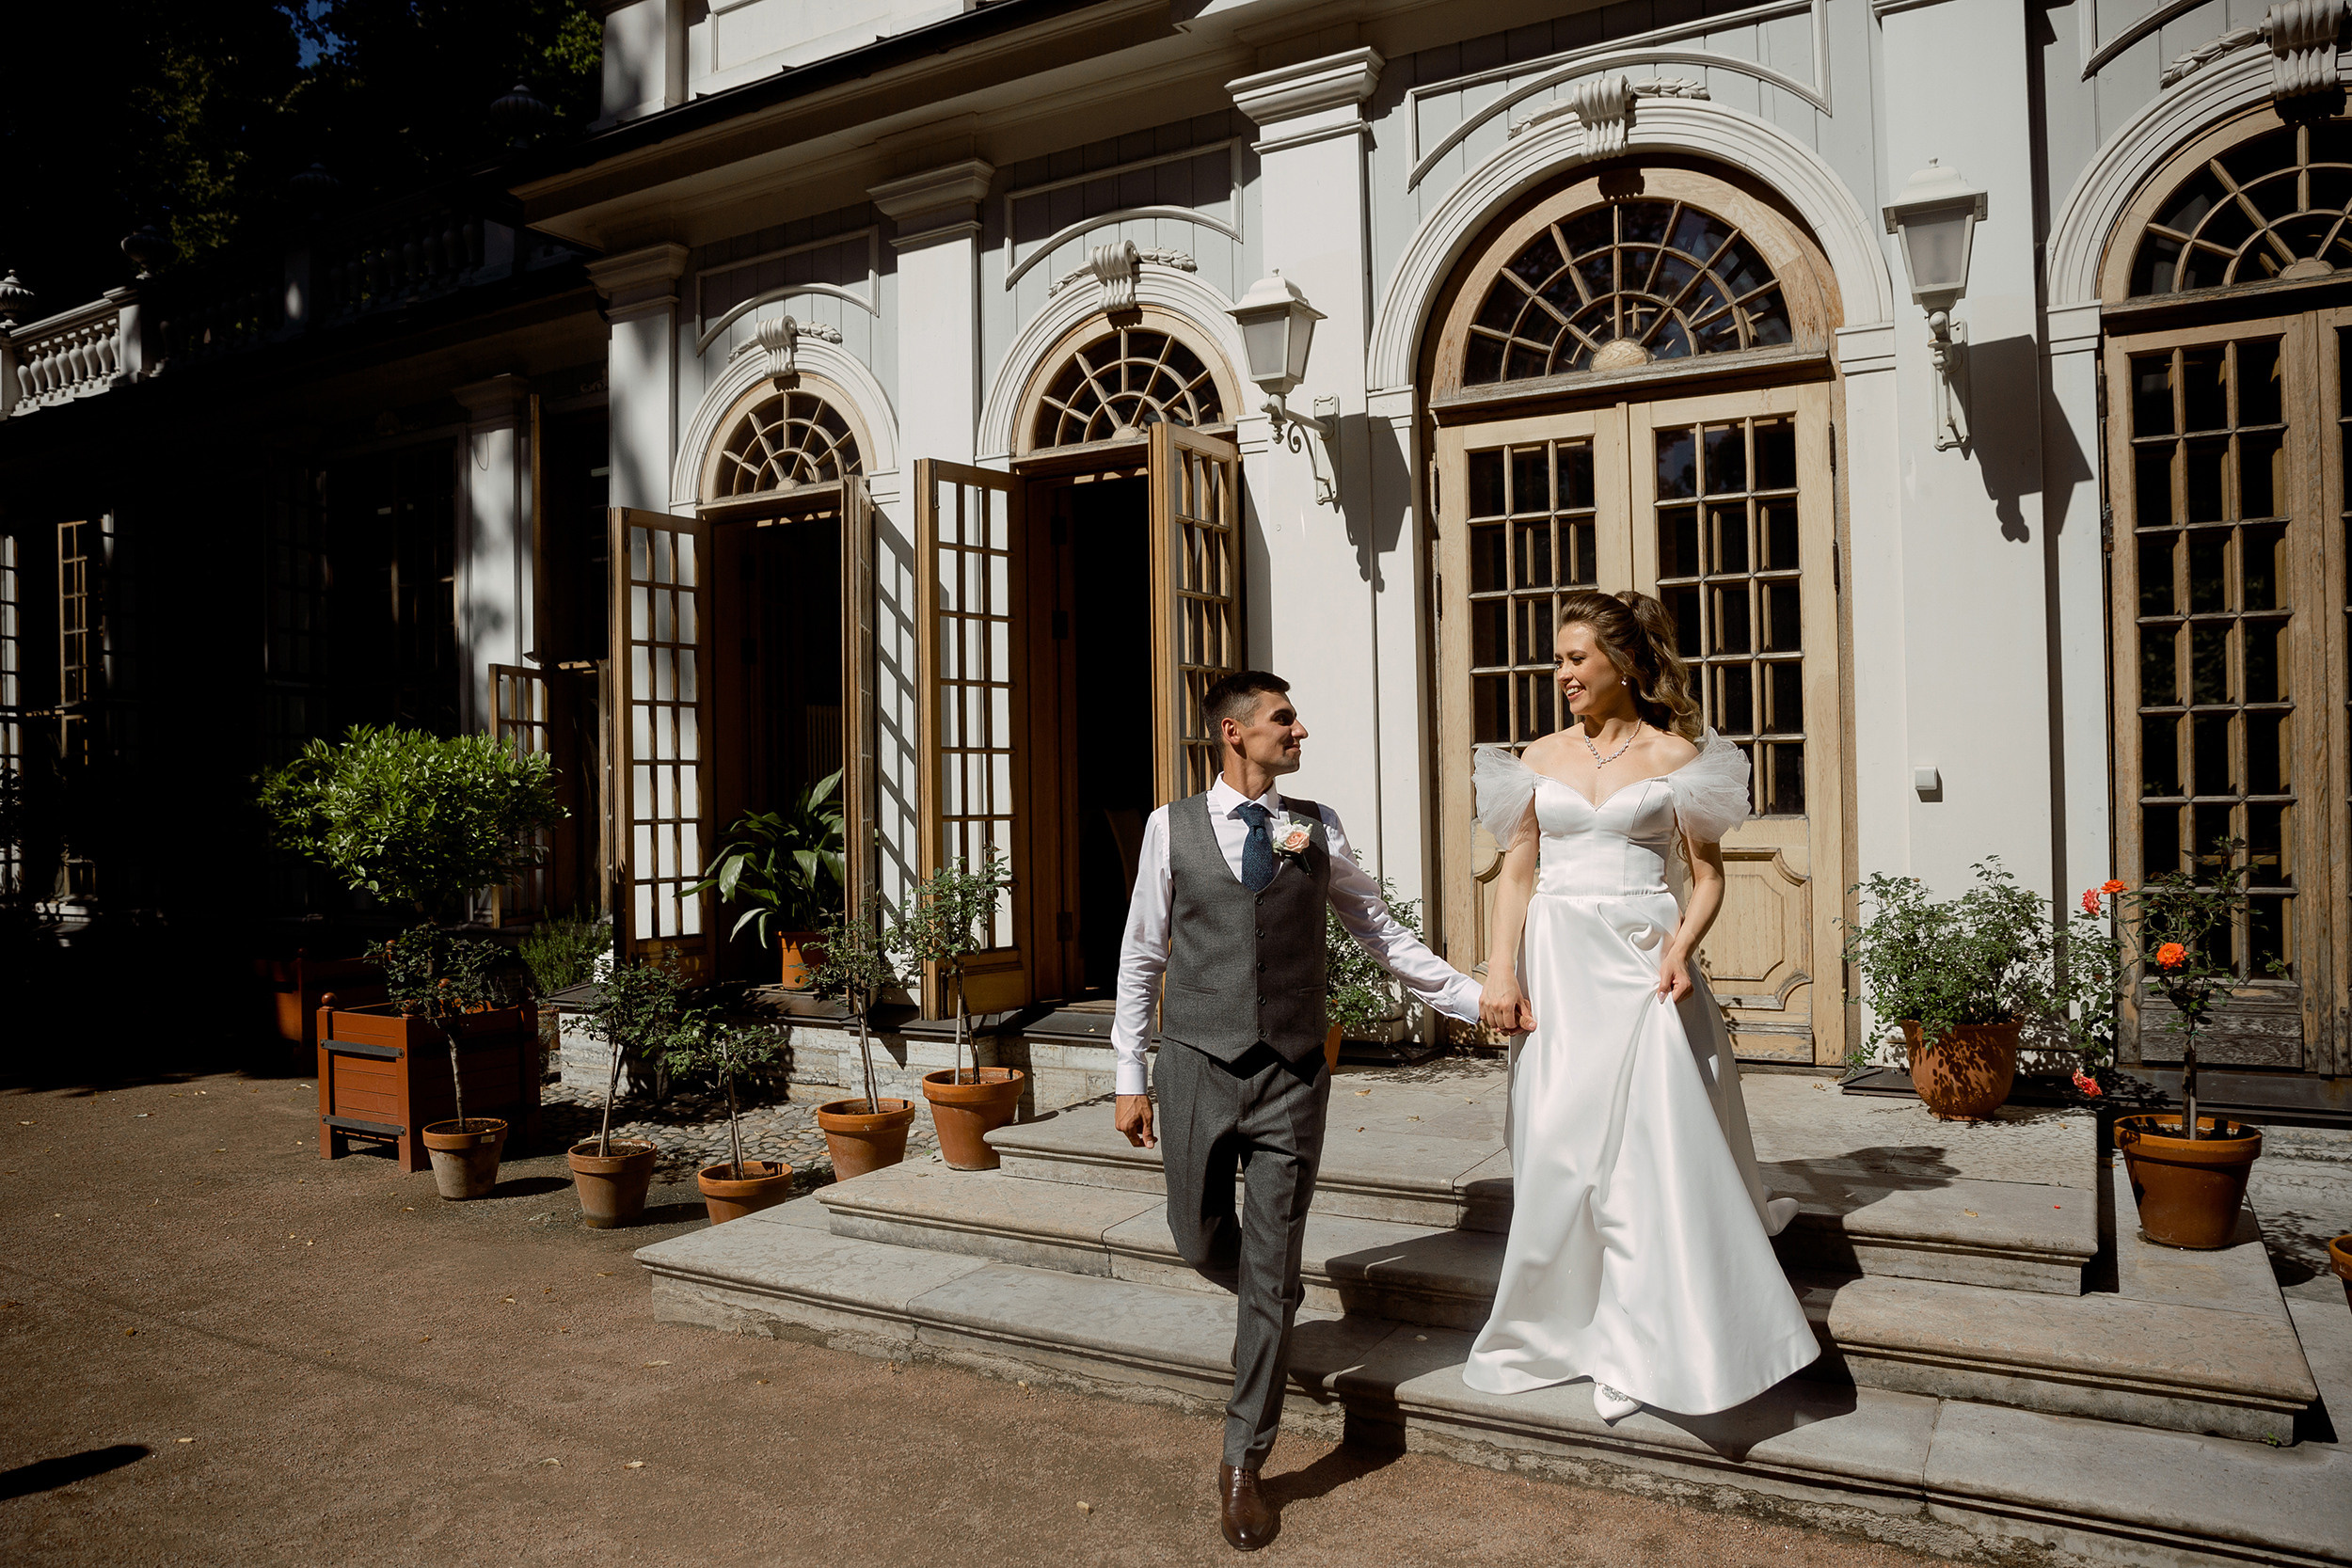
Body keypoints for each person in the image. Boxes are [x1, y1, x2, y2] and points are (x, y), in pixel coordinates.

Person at [1111, 670, 1482, 1552]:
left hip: (1292, 1074)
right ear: (1234, 733)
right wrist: (1131, 1071)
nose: (1299, 729)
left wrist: (1477, 999)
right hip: (1196, 1067)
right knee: (1200, 1238)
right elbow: (1139, 957)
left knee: (1272, 1265)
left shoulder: (1318, 826)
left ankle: (1245, 1460)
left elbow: (1380, 933)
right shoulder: (1171, 827)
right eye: (1283, 718)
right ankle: (1270, 1292)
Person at [1463, 589, 1817, 1420]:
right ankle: (1551, 1328)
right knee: (1556, 1148)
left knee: (1640, 1160)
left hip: (1641, 969)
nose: (1562, 676)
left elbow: (1709, 876)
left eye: (1576, 659)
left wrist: (1681, 949)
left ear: (1622, 663)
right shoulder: (1538, 756)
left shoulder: (1676, 756)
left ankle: (1633, 1343)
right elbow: (1517, 874)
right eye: (1559, 661)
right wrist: (1500, 972)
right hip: (1557, 967)